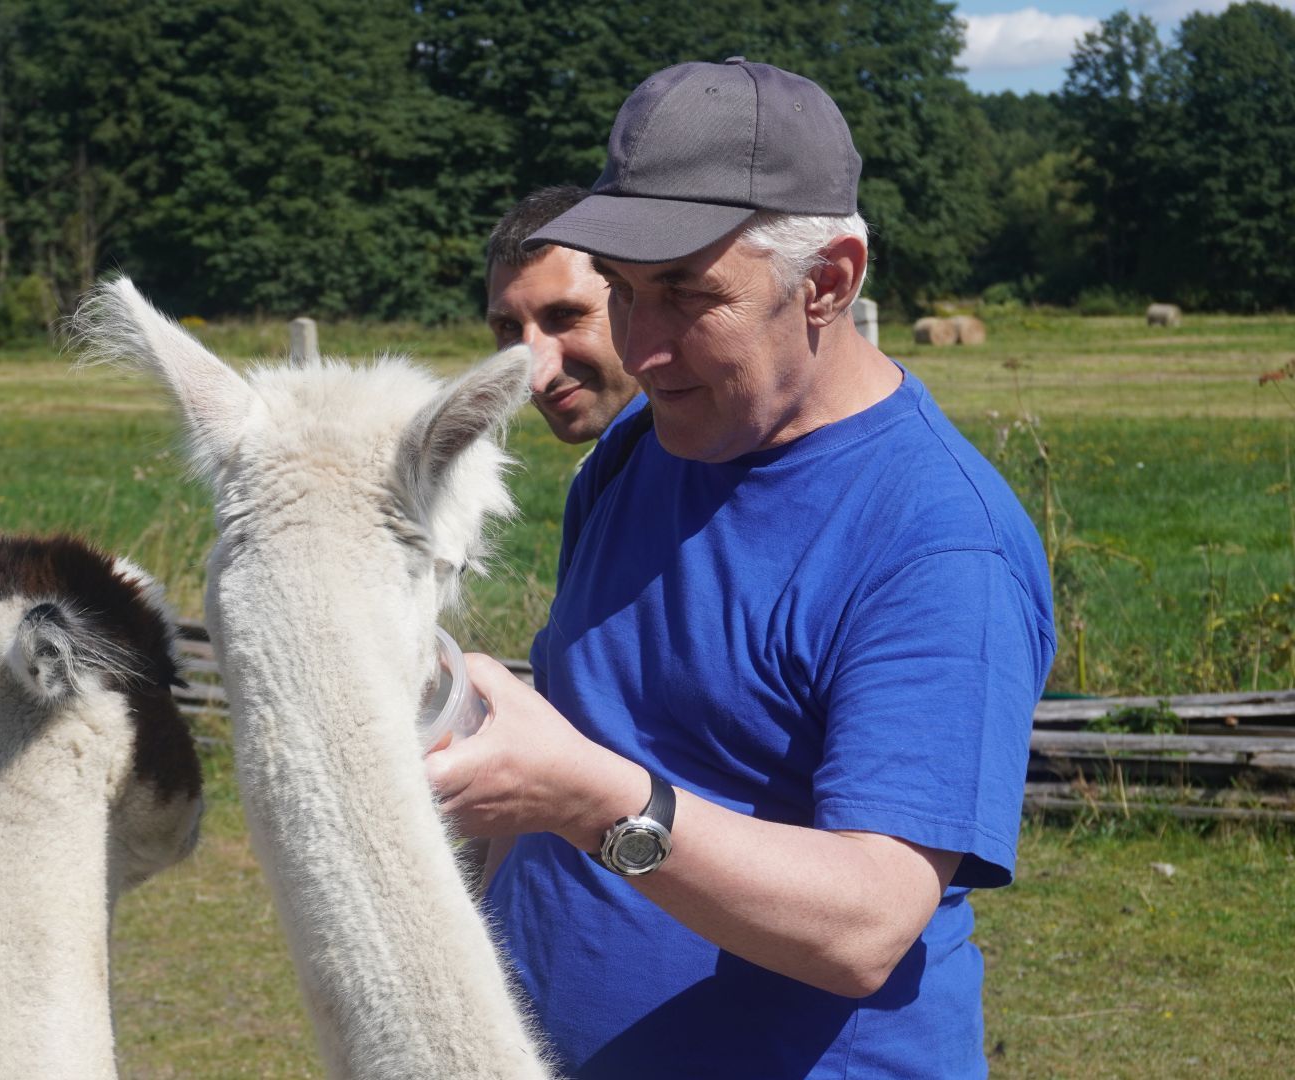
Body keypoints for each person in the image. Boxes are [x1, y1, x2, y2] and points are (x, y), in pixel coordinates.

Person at [426, 58, 1056, 1078]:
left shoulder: (938, 539)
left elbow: (866, 925)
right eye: (624, 294)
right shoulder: (639, 454)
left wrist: (587, 798)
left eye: (688, 295)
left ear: (830, 282)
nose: (645, 345)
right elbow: (612, 726)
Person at [486, 185, 643, 445]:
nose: (537, 380)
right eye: (509, 327)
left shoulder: (707, 466)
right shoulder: (606, 470)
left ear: (633, 295)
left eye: (564, 314)